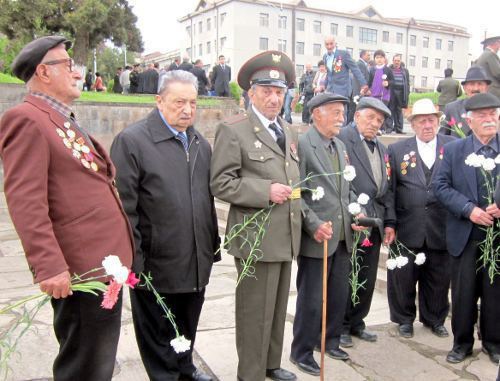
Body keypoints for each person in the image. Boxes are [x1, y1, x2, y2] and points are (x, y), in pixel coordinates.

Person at [0, 35, 134, 380]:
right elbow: (25, 199)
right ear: (43, 72)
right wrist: (48, 266)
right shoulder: (27, 119)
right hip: (78, 269)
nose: (77, 73)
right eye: (69, 65)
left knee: (99, 357)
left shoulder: (61, 119)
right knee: (83, 363)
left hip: (104, 265)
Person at [110, 70, 220, 381]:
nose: (187, 109)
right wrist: (135, 263)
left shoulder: (199, 142)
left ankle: (185, 368)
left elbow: (204, 201)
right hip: (155, 263)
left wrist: (211, 245)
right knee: (159, 333)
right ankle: (166, 376)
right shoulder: (132, 141)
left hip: (195, 258)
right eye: (179, 102)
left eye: (194, 103)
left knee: (186, 323)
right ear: (159, 101)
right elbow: (124, 209)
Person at [210, 50, 300, 381]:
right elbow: (220, 183)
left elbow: (294, 183)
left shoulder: (288, 131)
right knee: (253, 313)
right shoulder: (234, 130)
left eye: (279, 92)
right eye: (267, 91)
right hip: (255, 238)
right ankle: (250, 373)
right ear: (252, 93)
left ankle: (270, 364)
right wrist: (264, 191)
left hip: (284, 236)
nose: (274, 98)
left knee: (276, 309)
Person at [290, 93, 366, 375]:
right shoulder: (302, 145)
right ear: (316, 114)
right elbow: (295, 191)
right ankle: (302, 351)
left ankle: (330, 341)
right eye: (334, 112)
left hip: (343, 233)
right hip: (317, 236)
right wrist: (313, 224)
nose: (340, 118)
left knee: (337, 293)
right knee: (311, 298)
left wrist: (356, 211)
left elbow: (348, 185)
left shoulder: (340, 145)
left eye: (342, 112)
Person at [434, 92, 500, 364]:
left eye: (493, 114)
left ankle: (494, 342)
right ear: (469, 120)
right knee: (463, 293)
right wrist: (468, 209)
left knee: (496, 292)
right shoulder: (454, 150)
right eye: (482, 116)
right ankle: (461, 343)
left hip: (496, 237)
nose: (489, 120)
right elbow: (440, 186)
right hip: (465, 234)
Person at [387, 98, 455, 339]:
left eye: (431, 120)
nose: (427, 125)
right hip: (407, 226)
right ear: (413, 124)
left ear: (438, 122)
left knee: (438, 277)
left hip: (441, 226)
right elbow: (390, 190)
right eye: (422, 120)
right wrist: (390, 223)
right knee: (402, 278)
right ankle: (404, 319)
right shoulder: (396, 150)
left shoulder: (453, 146)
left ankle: (434, 319)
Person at [338, 97, 395, 346]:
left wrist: (390, 222)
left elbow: (388, 189)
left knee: (368, 276)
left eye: (379, 120)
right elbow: (340, 182)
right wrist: (353, 212)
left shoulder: (382, 149)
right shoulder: (341, 140)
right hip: (351, 221)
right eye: (370, 117)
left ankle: (357, 322)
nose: (375, 124)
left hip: (375, 223)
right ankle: (339, 325)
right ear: (357, 115)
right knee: (345, 275)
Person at [322, 35, 368, 118]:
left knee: (341, 113)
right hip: (330, 90)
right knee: (332, 113)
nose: (329, 46)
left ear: (335, 43)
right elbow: (329, 74)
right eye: (327, 44)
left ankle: (342, 131)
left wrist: (363, 84)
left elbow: (355, 69)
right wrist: (324, 85)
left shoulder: (343, 54)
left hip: (342, 89)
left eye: (331, 44)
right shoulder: (325, 57)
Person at [439, 66, 491, 137]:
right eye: (472, 84)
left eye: (480, 84)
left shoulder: (495, 111)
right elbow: (441, 137)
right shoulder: (451, 109)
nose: (476, 88)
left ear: (487, 88)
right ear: (465, 88)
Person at [367, 50, 394, 133]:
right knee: (374, 112)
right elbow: (369, 82)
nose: (379, 59)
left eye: (381, 57)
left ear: (384, 59)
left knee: (382, 112)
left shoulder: (388, 69)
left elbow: (393, 81)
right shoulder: (372, 70)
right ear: (374, 59)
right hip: (373, 95)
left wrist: (388, 83)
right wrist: (367, 89)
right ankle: (376, 128)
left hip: (384, 95)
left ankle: (382, 128)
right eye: (377, 57)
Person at [388, 55, 410, 134]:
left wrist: (407, 93)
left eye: (398, 60)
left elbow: (407, 83)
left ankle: (399, 129)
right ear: (393, 61)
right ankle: (389, 128)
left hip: (401, 92)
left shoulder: (405, 71)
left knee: (399, 110)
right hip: (391, 91)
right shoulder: (388, 69)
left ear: (400, 61)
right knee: (390, 109)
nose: (397, 62)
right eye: (395, 60)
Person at [348, 50, 371, 123]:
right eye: (368, 55)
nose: (369, 57)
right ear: (363, 55)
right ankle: (350, 125)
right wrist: (364, 89)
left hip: (359, 91)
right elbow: (361, 77)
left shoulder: (363, 64)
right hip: (358, 91)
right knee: (354, 110)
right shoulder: (360, 64)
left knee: (356, 110)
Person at [475, 35, 500, 100]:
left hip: (485, 91)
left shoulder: (483, 55)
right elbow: (498, 73)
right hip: (494, 92)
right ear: (496, 43)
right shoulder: (491, 55)